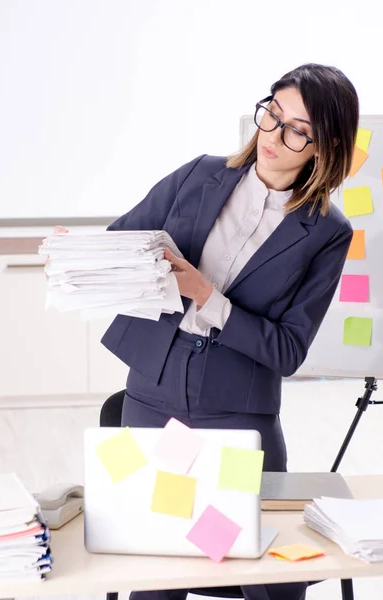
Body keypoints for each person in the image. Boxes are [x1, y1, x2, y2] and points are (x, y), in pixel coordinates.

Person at [57, 63, 359, 600]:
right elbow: (124, 241)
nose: (272, 135)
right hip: (155, 391)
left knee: (262, 574)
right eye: (273, 114)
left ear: (323, 145)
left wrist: (206, 296)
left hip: (237, 410)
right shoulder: (199, 175)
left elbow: (288, 349)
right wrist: (81, 251)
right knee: (159, 565)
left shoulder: (327, 232)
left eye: (297, 130)